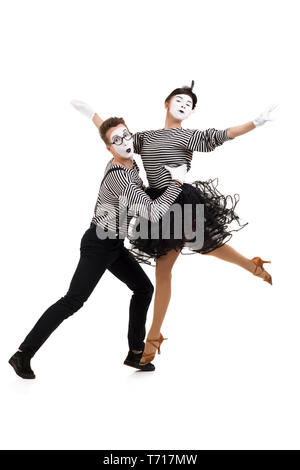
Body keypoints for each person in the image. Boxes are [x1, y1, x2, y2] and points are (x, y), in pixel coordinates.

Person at [71, 84, 276, 365]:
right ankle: (252, 266)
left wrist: (255, 122)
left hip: (178, 201)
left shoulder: (190, 137)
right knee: (203, 247)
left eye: (189, 104)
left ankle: (152, 340)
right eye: (179, 100)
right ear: (166, 103)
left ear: (191, 112)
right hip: (156, 205)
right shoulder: (144, 138)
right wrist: (92, 114)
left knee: (178, 262)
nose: (184, 105)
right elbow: (117, 136)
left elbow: (222, 135)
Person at [8, 115, 187, 379]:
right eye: (117, 140)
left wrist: (93, 115)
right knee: (73, 300)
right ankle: (23, 354)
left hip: (113, 244)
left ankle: (134, 353)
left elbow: (110, 133)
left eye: (127, 135)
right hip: (98, 244)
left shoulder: (127, 160)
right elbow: (153, 212)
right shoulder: (122, 179)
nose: (125, 141)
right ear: (109, 149)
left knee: (143, 288)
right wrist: (176, 183)